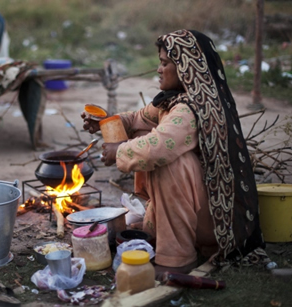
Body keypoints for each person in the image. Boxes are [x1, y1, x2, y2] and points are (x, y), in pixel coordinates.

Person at [82, 29, 270, 276]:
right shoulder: (175, 100)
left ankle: (178, 259)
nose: (158, 69)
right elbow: (138, 119)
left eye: (165, 63)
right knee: (143, 137)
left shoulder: (191, 109)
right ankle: (163, 232)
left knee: (166, 161)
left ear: (186, 67)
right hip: (199, 209)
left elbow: (156, 148)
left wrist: (119, 151)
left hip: (217, 223)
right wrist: (107, 122)